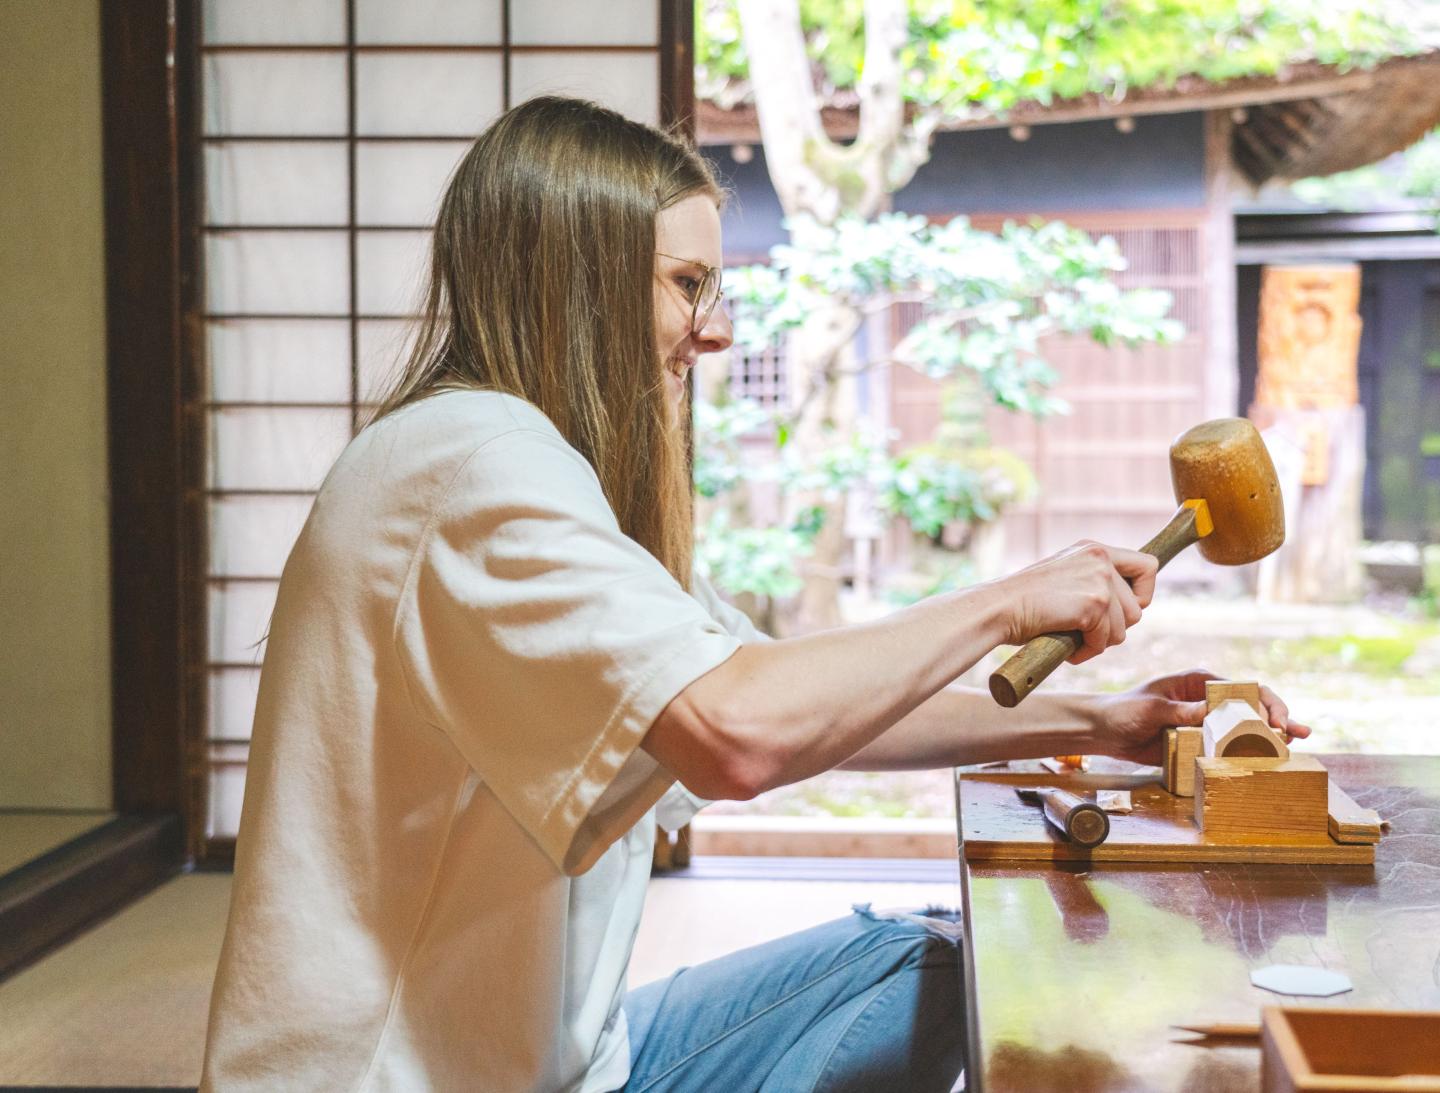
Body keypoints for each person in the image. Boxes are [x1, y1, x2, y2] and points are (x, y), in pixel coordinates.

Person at [199, 95, 1308, 1093]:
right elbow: (740, 735)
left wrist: (1101, 721)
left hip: (562, 1060)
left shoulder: (539, 480)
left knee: (914, 965)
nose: (717, 330)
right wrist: (1007, 602)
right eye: (689, 286)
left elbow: (804, 700)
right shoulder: (474, 465)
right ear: (576, 278)